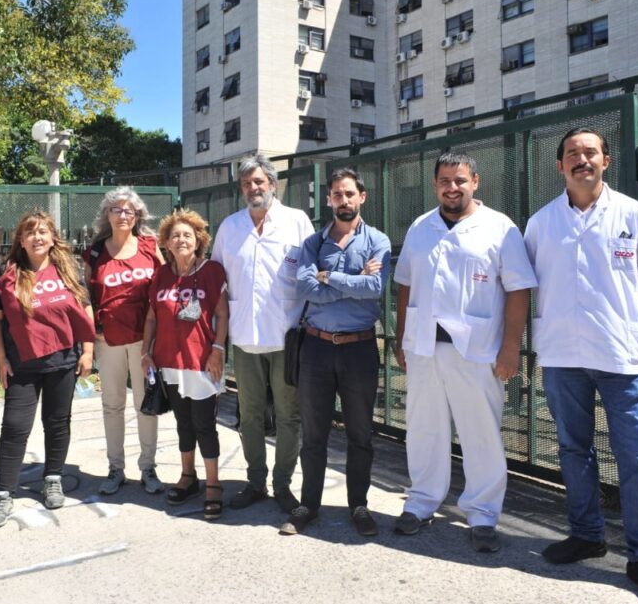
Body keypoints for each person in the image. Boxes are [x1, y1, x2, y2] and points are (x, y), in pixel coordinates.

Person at [525, 128, 638, 604]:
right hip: (562, 356)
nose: (581, 159)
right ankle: (587, 534)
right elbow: (528, 281)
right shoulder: (541, 223)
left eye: (590, 152)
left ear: (606, 161)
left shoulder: (634, 216)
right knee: (573, 450)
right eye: (572, 153)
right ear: (560, 166)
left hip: (622, 356)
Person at [392, 153, 537, 552]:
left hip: (476, 350)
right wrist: (402, 336)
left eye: (459, 180)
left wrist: (511, 348)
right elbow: (405, 284)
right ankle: (421, 502)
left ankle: (483, 513)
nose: (451, 188)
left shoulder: (500, 228)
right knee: (422, 428)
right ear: (434, 183)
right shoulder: (422, 227)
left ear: (476, 181)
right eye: (444, 181)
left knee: (481, 434)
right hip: (423, 347)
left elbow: (519, 289)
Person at [281, 168, 391, 537]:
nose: (343, 201)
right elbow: (307, 288)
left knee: (361, 434)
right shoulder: (313, 243)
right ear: (328, 199)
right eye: (336, 195)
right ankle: (308, 504)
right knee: (313, 434)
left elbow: (374, 287)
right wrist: (351, 280)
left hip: (358, 349)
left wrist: (331, 277)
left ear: (362, 196)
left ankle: (358, 505)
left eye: (349, 194)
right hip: (315, 348)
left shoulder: (378, 240)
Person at [211, 155, 314, 513]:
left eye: (259, 182)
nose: (253, 189)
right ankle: (256, 482)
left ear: (272, 183)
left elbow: (312, 272)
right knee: (249, 413)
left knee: (289, 415)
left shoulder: (296, 222)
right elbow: (217, 280)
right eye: (246, 184)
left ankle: (283, 484)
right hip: (244, 336)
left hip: (287, 334)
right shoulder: (230, 227)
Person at [0, 211, 96, 529]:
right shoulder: (6, 275)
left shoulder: (68, 270)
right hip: (22, 363)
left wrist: (87, 350)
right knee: (15, 427)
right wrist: (1, 359)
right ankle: (3, 493)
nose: (37, 237)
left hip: (63, 360)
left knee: (57, 422)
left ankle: (53, 477)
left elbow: (85, 308)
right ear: (21, 239)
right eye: (30, 232)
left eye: (43, 231)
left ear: (51, 238)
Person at [140, 209, 229, 520]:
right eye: (175, 235)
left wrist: (218, 349)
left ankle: (214, 484)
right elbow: (151, 316)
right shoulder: (161, 275)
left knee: (205, 424)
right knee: (183, 423)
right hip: (169, 362)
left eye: (187, 235)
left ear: (198, 240)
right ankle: (188, 476)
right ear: (166, 242)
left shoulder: (212, 271)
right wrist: (145, 351)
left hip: (202, 362)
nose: (181, 240)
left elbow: (222, 314)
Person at [82, 188, 166, 496]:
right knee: (112, 405)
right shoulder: (94, 251)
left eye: (129, 210)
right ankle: (116, 468)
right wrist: (92, 333)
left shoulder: (148, 245)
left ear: (137, 215)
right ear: (107, 214)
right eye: (116, 209)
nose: (122, 215)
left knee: (146, 404)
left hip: (145, 340)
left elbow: (164, 284)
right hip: (110, 340)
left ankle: (148, 467)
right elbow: (85, 296)